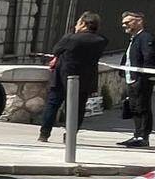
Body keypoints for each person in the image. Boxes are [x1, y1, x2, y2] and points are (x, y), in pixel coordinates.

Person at [36, 11, 107, 143]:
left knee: (53, 104)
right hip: (85, 79)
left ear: (84, 24)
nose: (76, 25)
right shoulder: (101, 40)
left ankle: (44, 133)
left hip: (62, 77)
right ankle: (70, 135)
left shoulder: (71, 38)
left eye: (78, 22)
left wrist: (72, 34)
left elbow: (56, 50)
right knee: (78, 109)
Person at [119, 9, 155, 147]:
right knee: (134, 108)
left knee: (142, 108)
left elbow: (149, 59)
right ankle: (137, 135)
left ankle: (143, 137)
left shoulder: (147, 38)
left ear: (139, 21)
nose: (124, 25)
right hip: (131, 79)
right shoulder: (135, 39)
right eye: (123, 23)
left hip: (141, 80)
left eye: (128, 22)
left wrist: (143, 78)